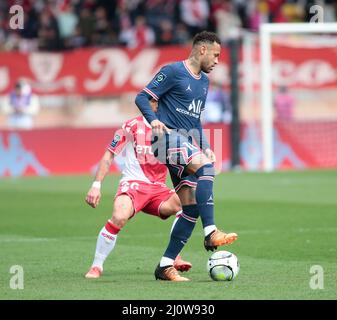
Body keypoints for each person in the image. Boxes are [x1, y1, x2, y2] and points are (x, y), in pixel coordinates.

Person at [135, 31, 238, 282]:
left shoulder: (203, 82)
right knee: (207, 170)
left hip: (183, 144)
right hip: (165, 139)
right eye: (215, 55)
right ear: (202, 50)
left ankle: (165, 265)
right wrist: (154, 120)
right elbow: (141, 97)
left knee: (190, 207)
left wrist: (204, 146)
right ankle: (211, 231)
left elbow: (195, 120)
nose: (217, 60)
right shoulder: (172, 71)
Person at [85, 104, 192, 279]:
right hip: (134, 184)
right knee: (119, 217)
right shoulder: (130, 126)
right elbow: (109, 155)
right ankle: (96, 266)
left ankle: (173, 256)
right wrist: (96, 185)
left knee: (188, 203)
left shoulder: (172, 128)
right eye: (155, 100)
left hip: (158, 189)